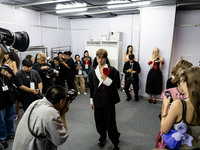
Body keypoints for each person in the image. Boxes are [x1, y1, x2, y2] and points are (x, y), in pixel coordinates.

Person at [12, 85, 70, 150]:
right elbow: (61, 139)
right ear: (61, 101)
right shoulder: (52, 113)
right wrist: (63, 114)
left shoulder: (35, 102)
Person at [160, 67, 200, 149]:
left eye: (181, 81)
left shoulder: (178, 105)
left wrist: (165, 105)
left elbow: (164, 129)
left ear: (186, 83)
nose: (180, 84)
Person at [89, 49, 121, 150]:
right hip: (97, 101)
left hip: (108, 101)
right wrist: (91, 101)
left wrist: (106, 79)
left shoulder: (113, 70)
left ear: (106, 58)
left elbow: (117, 85)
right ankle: (102, 137)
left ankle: (115, 142)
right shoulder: (92, 72)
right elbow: (92, 88)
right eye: (98, 57)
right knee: (99, 123)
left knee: (110, 123)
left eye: (102, 58)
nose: (100, 60)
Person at [0, 65, 18, 149]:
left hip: (9, 97)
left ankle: (10, 133)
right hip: (0, 100)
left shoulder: (6, 68)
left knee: (10, 117)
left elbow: (14, 79)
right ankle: (2, 138)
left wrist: (8, 74)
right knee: (1, 120)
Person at [3, 49, 20, 121]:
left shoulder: (13, 62)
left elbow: (15, 72)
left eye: (6, 54)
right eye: (4, 54)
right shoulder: (2, 62)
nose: (5, 55)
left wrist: (9, 73)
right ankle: (8, 114)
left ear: (9, 54)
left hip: (12, 81)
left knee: (15, 98)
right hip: (5, 82)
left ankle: (16, 113)